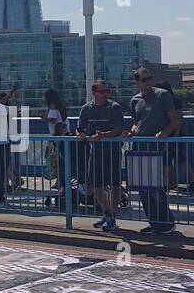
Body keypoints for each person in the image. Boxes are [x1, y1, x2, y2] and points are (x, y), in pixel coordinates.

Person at [128, 67, 180, 233]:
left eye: (150, 78)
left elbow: (174, 119)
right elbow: (136, 121)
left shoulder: (162, 95)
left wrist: (165, 132)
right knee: (143, 187)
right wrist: (131, 131)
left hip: (157, 146)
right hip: (140, 146)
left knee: (156, 186)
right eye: (144, 80)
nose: (148, 82)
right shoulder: (134, 100)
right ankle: (154, 221)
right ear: (137, 82)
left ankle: (167, 222)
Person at [76, 79, 124, 230]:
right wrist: (81, 134)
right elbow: (79, 128)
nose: (105, 94)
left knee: (115, 185)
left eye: (107, 91)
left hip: (113, 151)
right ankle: (108, 213)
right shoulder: (87, 108)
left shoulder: (114, 107)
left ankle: (112, 216)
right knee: (95, 186)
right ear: (94, 93)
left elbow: (118, 129)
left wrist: (103, 135)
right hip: (95, 152)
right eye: (102, 91)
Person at [154, 81, 194, 191]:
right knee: (178, 159)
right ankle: (186, 182)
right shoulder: (172, 99)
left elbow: (178, 119)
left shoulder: (171, 100)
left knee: (170, 159)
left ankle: (168, 184)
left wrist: (176, 134)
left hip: (173, 134)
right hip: (171, 134)